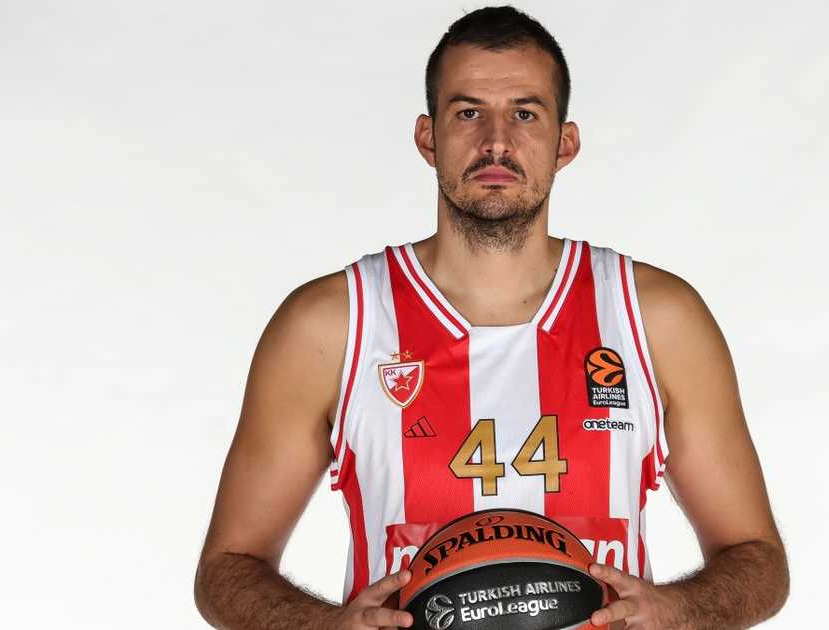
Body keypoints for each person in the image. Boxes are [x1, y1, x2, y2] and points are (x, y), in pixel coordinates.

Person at [194, 6, 788, 629]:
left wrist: (682, 610)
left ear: (566, 143)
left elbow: (759, 559)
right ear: (429, 138)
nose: (496, 142)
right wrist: (324, 627)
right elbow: (228, 567)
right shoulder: (333, 325)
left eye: (525, 114)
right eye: (469, 112)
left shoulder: (655, 318)